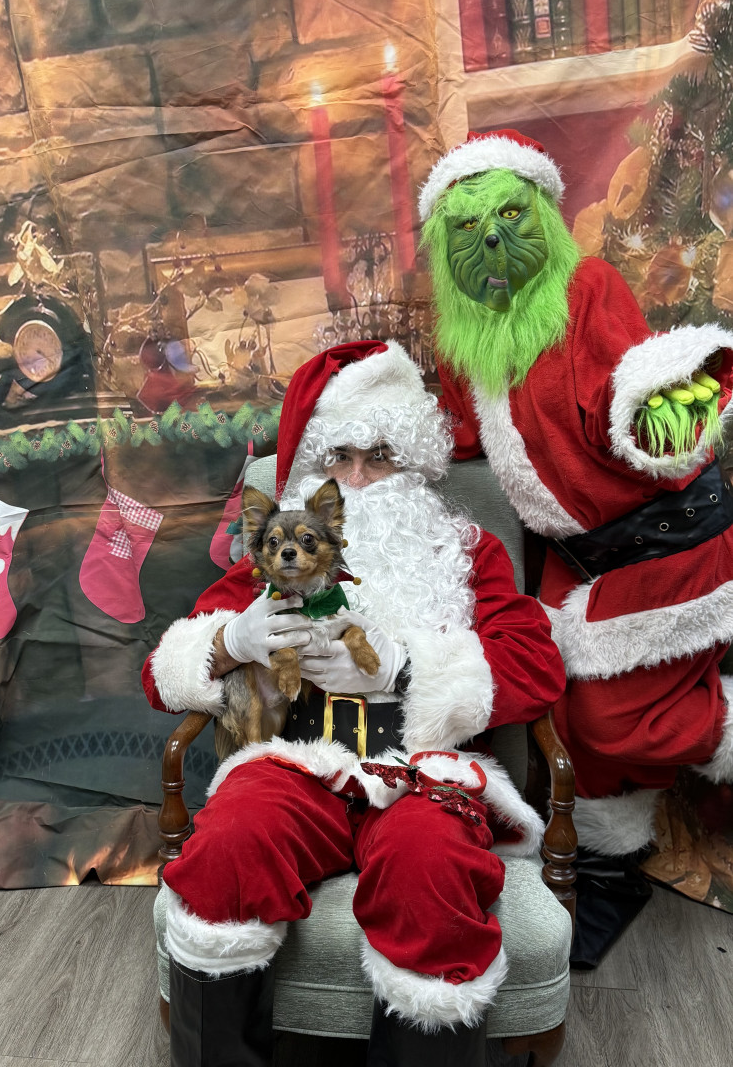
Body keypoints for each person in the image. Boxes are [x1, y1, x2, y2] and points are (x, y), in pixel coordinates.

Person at [142, 339, 566, 1066]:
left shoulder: (467, 551)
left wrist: (406, 668)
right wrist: (230, 642)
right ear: (315, 469)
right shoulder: (273, 559)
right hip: (298, 761)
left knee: (431, 872)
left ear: (415, 464)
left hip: (422, 770)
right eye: (339, 456)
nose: (360, 478)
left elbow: (537, 665)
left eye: (381, 456)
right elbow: (162, 677)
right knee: (226, 849)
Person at [419, 128, 733, 966]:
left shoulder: (587, 286)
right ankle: (609, 868)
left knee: (620, 721)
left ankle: (722, 725)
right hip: (576, 556)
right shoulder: (462, 337)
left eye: (508, 216)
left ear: (542, 215)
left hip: (661, 537)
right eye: (467, 227)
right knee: (562, 709)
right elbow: (464, 435)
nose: (490, 239)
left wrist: (660, 409)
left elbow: (628, 394)